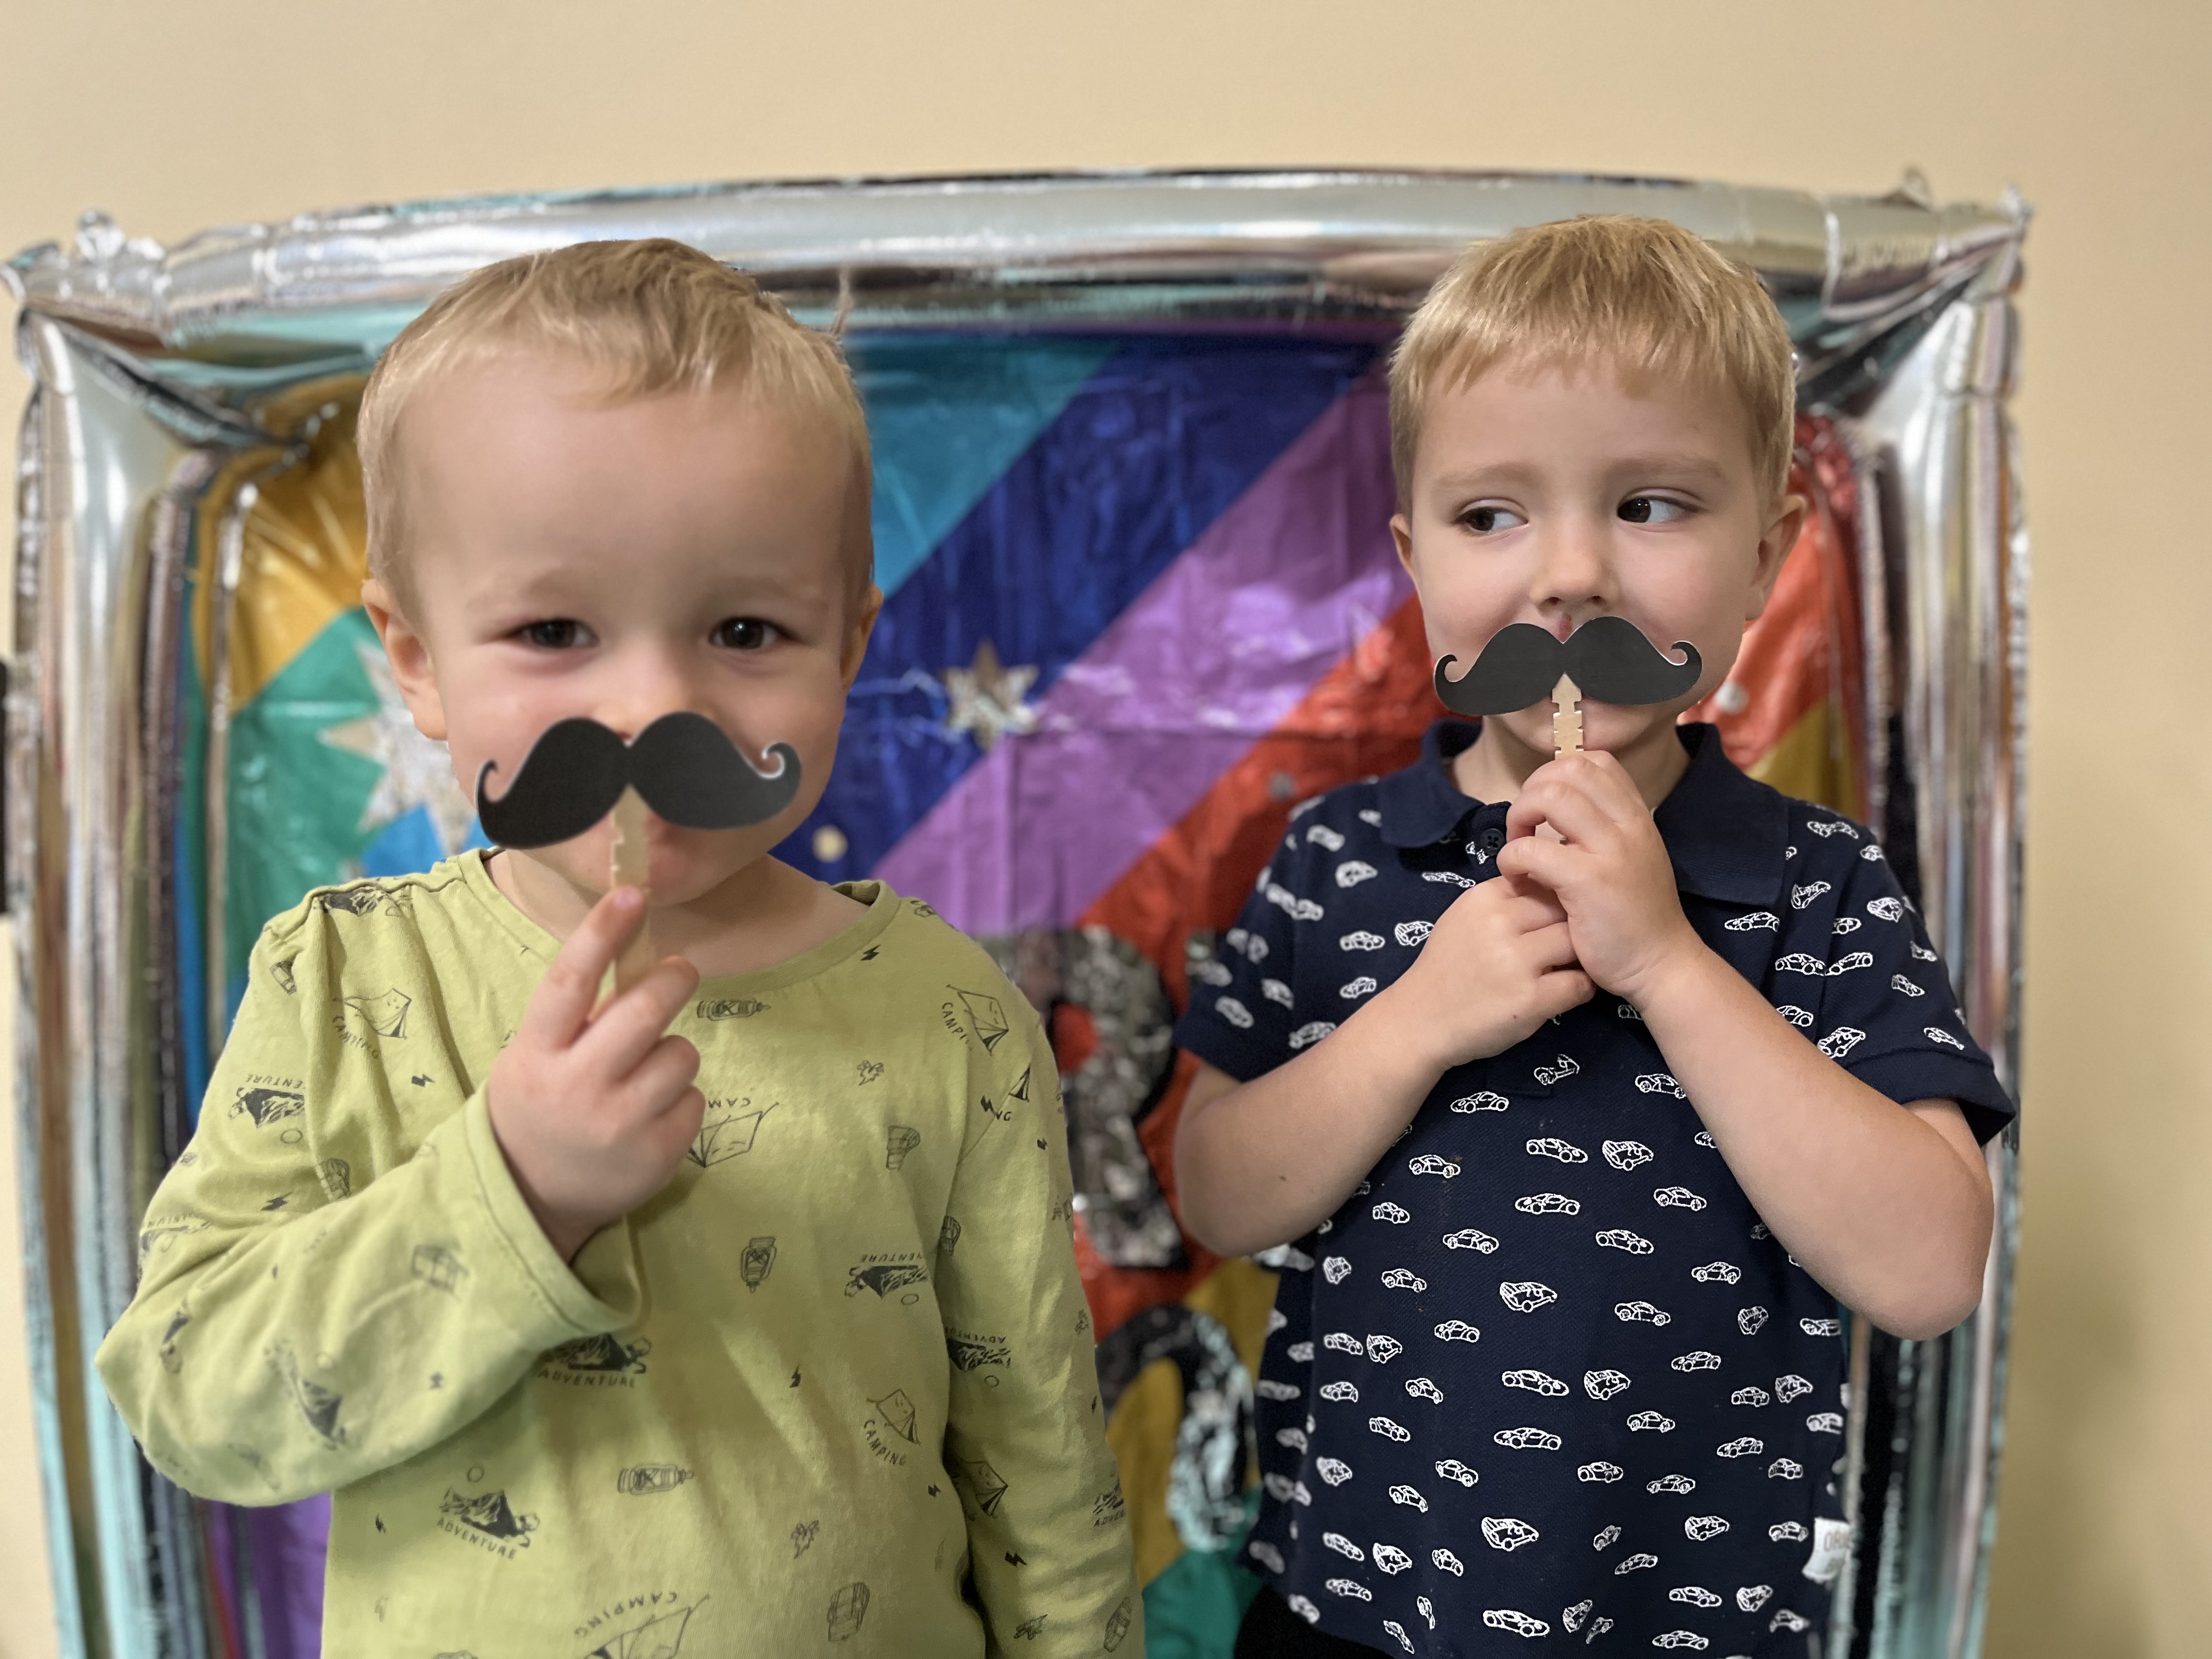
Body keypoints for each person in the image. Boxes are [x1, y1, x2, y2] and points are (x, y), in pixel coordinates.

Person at [98, 239, 1138, 1658]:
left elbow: (1042, 1470)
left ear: (848, 646)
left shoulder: (955, 1018)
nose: (654, 708)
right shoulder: (342, 985)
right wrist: (512, 1193)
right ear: (416, 659)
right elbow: (192, 1401)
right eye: (553, 630)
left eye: (746, 629)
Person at [1172, 216, 2014, 1657]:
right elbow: (1216, 1195)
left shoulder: (1817, 884)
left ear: (1767, 555)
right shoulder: (1336, 859)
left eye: (1651, 504)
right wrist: (1416, 1020)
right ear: (1414, 560)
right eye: (1491, 516)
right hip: (1359, 1613)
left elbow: (1929, 1273)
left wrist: (1672, 965)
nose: (1571, 576)